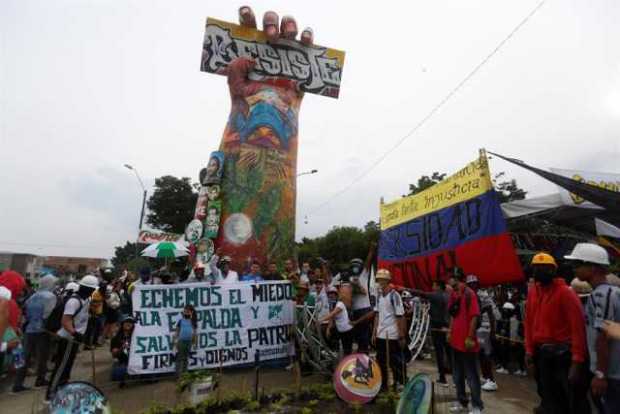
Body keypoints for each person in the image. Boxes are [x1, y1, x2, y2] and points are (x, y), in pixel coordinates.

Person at [524, 252, 588, 414]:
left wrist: (577, 362)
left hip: (563, 356)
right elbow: (529, 323)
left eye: (544, 268)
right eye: (536, 268)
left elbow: (578, 329)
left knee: (569, 401)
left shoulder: (566, 293)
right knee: (546, 397)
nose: (539, 272)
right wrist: (529, 352)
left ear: (553, 270)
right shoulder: (533, 292)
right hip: (542, 355)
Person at [565, 243, 620, 413]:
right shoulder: (609, 292)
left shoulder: (602, 295)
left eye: (578, 264)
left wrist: (600, 375)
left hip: (612, 374)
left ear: (593, 267)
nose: (574, 269)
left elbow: (603, 337)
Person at [46, 275, 99, 401]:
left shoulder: (85, 299)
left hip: (74, 339)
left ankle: (62, 389)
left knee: (67, 366)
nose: (93, 292)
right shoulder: (74, 301)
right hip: (68, 338)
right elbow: (66, 320)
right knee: (61, 366)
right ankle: (51, 394)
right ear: (86, 289)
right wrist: (75, 333)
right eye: (92, 289)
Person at [12, 274, 58, 392]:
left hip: (29, 330)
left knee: (24, 357)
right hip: (42, 330)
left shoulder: (32, 296)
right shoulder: (50, 297)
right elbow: (49, 314)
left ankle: (17, 384)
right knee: (42, 356)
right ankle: (40, 379)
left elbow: (25, 312)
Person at [447, 267, 483, 414]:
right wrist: (450, 331)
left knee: (472, 376)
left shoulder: (469, 294)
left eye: (450, 278)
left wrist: (469, 336)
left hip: (467, 343)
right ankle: (462, 403)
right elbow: (452, 315)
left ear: (456, 278)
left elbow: (475, 316)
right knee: (457, 376)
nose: (448, 281)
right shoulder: (453, 294)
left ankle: (477, 406)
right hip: (455, 342)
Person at [409, 280, 452, 386]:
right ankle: (456, 378)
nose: (432, 287)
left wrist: (404, 288)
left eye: (434, 285)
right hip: (448, 327)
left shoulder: (436, 295)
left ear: (438, 286)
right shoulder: (448, 296)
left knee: (440, 353)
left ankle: (442, 378)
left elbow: (421, 293)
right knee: (450, 352)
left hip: (437, 328)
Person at [372, 269, 407, 392]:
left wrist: (401, 335)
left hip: (392, 334)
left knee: (395, 361)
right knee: (381, 361)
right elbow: (377, 314)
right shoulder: (379, 296)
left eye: (382, 279)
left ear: (387, 281)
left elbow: (400, 316)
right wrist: (374, 331)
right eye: (378, 279)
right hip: (381, 334)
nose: (380, 282)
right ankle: (384, 384)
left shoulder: (394, 295)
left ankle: (400, 383)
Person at [465, 275, 500, 392]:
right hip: (476, 328)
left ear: (477, 284)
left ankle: (492, 380)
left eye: (474, 283)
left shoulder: (482, 295)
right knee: (480, 354)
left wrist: (493, 332)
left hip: (485, 328)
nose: (472, 286)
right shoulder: (469, 296)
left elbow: (491, 315)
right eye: (470, 284)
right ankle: (486, 377)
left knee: (485, 354)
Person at [348, 243, 376, 354]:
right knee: (358, 335)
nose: (355, 267)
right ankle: (359, 356)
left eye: (357, 265)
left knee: (364, 336)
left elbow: (367, 263)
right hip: (354, 310)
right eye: (353, 265)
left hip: (364, 309)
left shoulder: (363, 275)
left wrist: (371, 250)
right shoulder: (350, 278)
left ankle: (364, 357)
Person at [321, 285, 355, 355]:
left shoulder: (340, 304)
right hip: (341, 331)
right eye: (330, 294)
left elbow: (332, 314)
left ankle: (335, 351)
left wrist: (321, 320)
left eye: (333, 294)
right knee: (327, 331)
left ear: (336, 295)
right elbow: (332, 318)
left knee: (347, 351)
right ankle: (333, 350)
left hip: (348, 331)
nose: (331, 295)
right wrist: (328, 328)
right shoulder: (332, 306)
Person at [110, 315, 134, 387]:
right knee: (116, 375)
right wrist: (122, 348)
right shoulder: (116, 338)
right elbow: (114, 355)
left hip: (136, 361)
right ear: (122, 324)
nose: (128, 324)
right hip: (123, 361)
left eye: (131, 322)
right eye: (126, 322)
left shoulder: (137, 336)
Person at [175, 305, 197, 377]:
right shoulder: (180, 321)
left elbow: (194, 333)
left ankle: (185, 375)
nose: (186, 313)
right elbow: (177, 332)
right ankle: (179, 375)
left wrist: (194, 343)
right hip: (181, 342)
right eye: (185, 311)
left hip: (189, 342)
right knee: (180, 358)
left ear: (191, 312)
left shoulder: (193, 322)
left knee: (186, 358)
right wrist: (175, 342)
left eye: (187, 311)